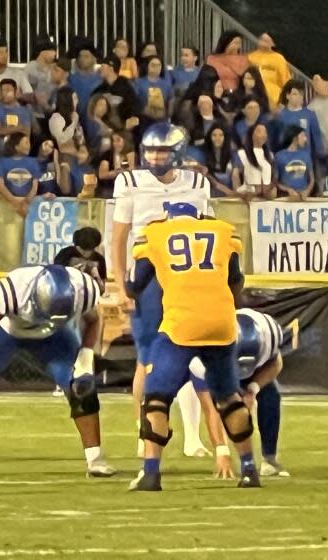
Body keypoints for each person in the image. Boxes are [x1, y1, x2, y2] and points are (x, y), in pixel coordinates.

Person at [0, 264, 117, 479]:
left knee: (82, 386)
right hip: (6, 331)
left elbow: (94, 320)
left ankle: (95, 460)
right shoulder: (13, 290)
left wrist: (86, 356)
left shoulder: (83, 289)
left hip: (54, 337)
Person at [126, 201, 259, 491]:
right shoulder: (222, 231)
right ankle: (249, 469)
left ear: (169, 216)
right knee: (229, 398)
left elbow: (134, 284)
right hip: (222, 324)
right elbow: (236, 279)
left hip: (181, 324)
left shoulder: (156, 233)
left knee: (156, 398)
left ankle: (151, 473)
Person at [111, 124, 212, 462]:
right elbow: (118, 238)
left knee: (192, 355)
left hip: (186, 277)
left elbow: (207, 231)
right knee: (149, 358)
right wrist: (120, 283)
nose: (155, 157)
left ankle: (193, 437)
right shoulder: (129, 182)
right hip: (147, 276)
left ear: (178, 152)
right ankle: (145, 430)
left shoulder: (197, 183)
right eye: (151, 150)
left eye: (162, 151)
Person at [190, 308, 289, 477]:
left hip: (257, 364)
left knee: (271, 394)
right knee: (225, 403)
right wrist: (222, 451)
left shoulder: (268, 334)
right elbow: (211, 408)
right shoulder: (205, 356)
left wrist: (253, 389)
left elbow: (276, 363)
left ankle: (269, 458)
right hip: (222, 368)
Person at [0, 132, 41, 216]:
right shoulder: (1, 162)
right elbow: (0, 185)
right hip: (6, 207)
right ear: (16, 146)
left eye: (29, 142)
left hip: (27, 207)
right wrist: (15, 202)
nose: (29, 145)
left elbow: (34, 186)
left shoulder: (33, 162)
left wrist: (27, 202)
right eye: (26, 142)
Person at [93, 54, 141, 131]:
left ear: (111, 68)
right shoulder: (100, 89)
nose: (100, 69)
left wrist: (123, 130)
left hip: (123, 133)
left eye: (102, 66)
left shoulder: (126, 88)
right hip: (104, 133)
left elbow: (134, 111)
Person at [274, 79, 323, 155]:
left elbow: (318, 141)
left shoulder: (310, 115)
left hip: (305, 159)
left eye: (301, 94)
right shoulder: (280, 115)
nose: (298, 97)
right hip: (285, 159)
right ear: (287, 95)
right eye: (295, 94)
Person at [247, 33, 291, 112]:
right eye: (262, 39)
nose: (263, 42)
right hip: (254, 101)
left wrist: (283, 102)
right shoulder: (250, 57)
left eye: (267, 40)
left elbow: (286, 82)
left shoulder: (279, 59)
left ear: (273, 44)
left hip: (274, 103)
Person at [232, 123, 276, 200]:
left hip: (266, 195)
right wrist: (237, 192)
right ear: (251, 134)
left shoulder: (270, 155)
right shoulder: (242, 154)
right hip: (249, 193)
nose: (263, 135)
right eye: (259, 131)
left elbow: (273, 176)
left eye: (265, 132)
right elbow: (235, 175)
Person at [0, 78, 32, 156]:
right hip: (0, 155)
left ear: (15, 92)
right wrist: (19, 127)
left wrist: (6, 129)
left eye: (8, 90)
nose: (5, 93)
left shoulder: (24, 111)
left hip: (20, 154)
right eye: (2, 90)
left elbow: (26, 133)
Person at [274, 126, 314, 200]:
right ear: (295, 137)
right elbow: (275, 181)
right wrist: (288, 190)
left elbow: (312, 179)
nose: (305, 139)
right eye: (303, 136)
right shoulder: (279, 156)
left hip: (303, 197)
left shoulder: (306, 155)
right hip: (285, 198)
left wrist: (307, 190)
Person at [23, 37, 58, 119]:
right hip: (33, 114)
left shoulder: (55, 69)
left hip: (52, 114)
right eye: (52, 51)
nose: (55, 53)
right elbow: (24, 91)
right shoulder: (30, 68)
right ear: (43, 52)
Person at [198, 124, 236, 197]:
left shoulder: (232, 153)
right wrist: (228, 191)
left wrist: (236, 193)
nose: (217, 138)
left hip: (229, 189)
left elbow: (235, 176)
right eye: (214, 135)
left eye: (221, 135)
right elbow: (207, 177)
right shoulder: (202, 153)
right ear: (209, 137)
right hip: (211, 189)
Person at [68, 39, 102, 116]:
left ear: (94, 59)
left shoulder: (100, 79)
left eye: (86, 56)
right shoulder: (71, 79)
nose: (82, 59)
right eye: (80, 56)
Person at [135, 55, 174, 124]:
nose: (156, 68)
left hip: (162, 118)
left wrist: (168, 114)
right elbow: (134, 101)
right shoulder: (138, 83)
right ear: (147, 67)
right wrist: (143, 111)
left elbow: (171, 99)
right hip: (143, 118)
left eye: (159, 65)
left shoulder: (166, 83)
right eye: (153, 65)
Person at [48, 86, 83, 161]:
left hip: (77, 154)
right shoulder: (56, 118)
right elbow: (62, 140)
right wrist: (74, 123)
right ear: (67, 100)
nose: (77, 101)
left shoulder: (74, 116)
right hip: (64, 156)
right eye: (75, 98)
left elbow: (81, 140)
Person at [98, 131, 137, 198]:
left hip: (128, 188)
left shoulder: (132, 154)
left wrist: (130, 155)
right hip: (110, 189)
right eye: (113, 141)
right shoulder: (107, 155)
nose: (115, 144)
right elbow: (102, 175)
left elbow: (132, 169)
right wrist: (118, 172)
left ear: (125, 141)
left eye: (118, 140)